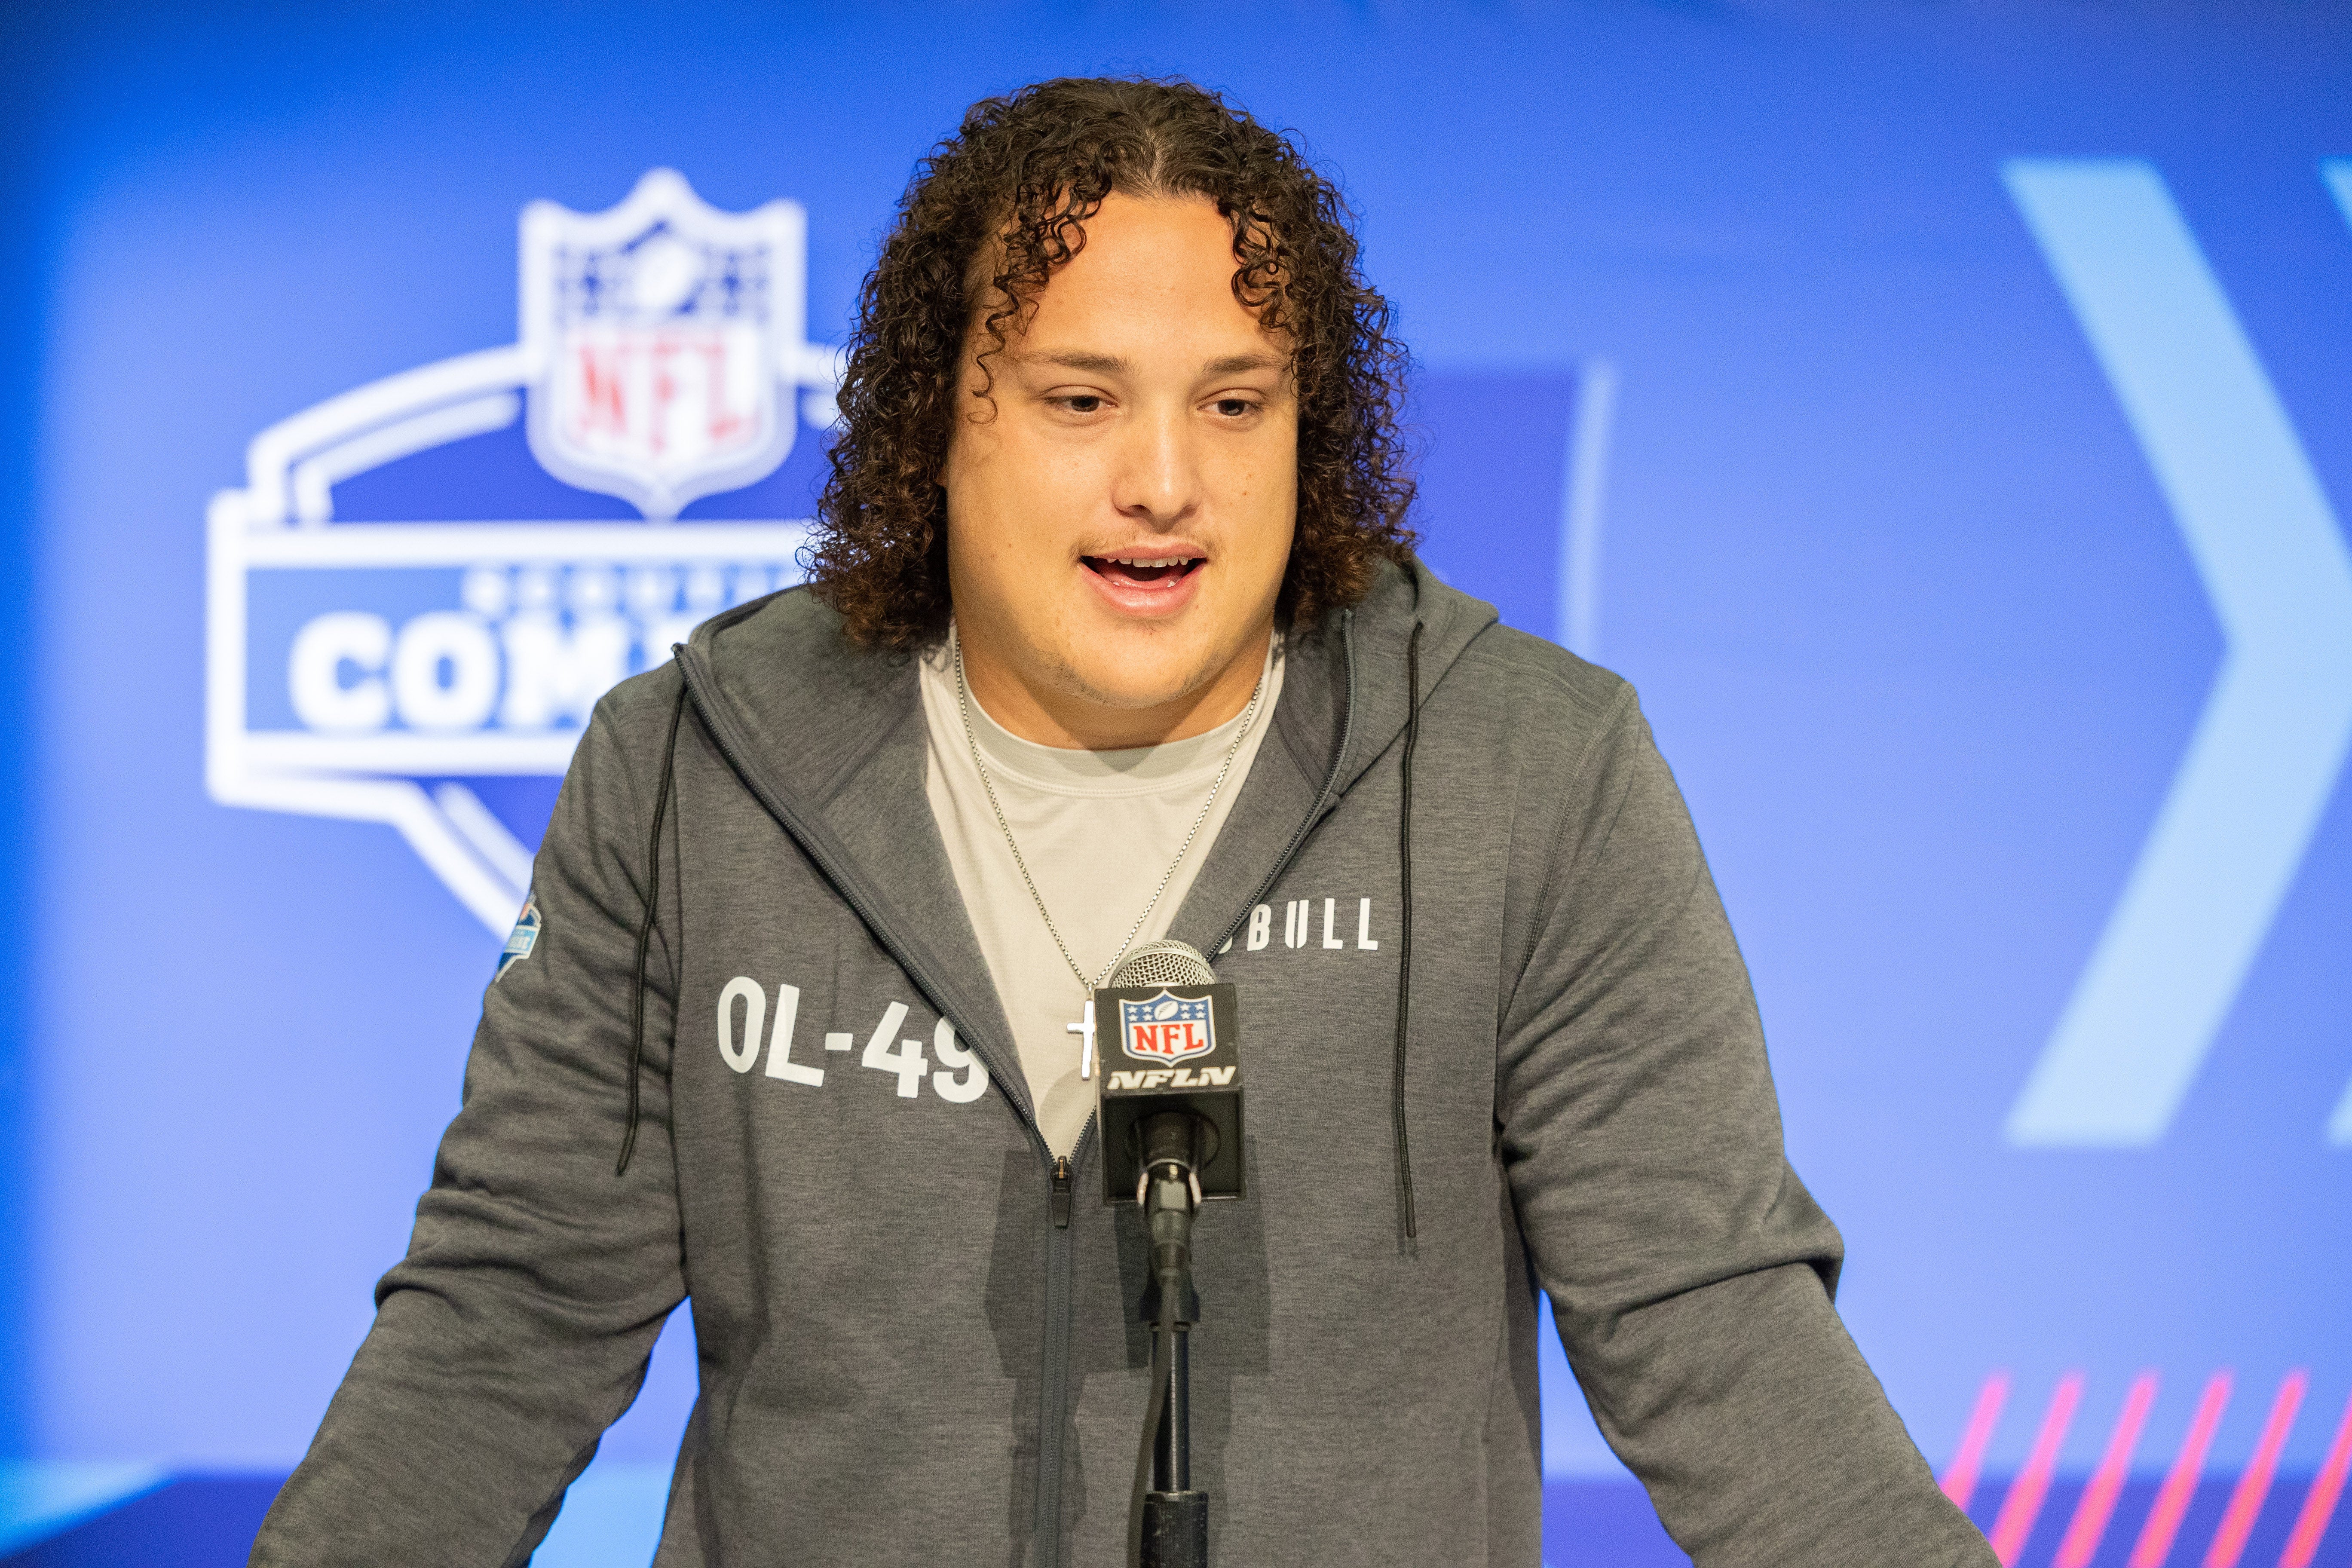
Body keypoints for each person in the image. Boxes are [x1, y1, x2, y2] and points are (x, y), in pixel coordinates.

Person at [253, 76, 1995, 1567]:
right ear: (940, 422)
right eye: (1081, 399)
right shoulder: (694, 767)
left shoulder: (1532, 770)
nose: (1165, 479)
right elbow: (505, 1326)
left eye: (1236, 403)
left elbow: (1715, 1328)